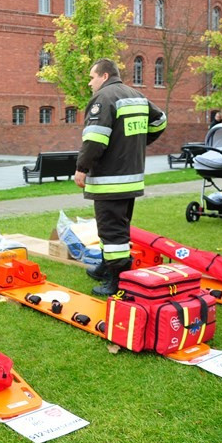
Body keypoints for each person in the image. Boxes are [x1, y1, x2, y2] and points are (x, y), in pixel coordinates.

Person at [74, 58, 167, 295]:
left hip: (109, 180)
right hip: (130, 177)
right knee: (115, 228)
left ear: (104, 76)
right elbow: (160, 120)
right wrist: (137, 143)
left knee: (112, 232)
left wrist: (81, 168)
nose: (89, 83)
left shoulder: (103, 99)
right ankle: (107, 267)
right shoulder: (135, 95)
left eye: (92, 77)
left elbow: (95, 139)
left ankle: (117, 282)